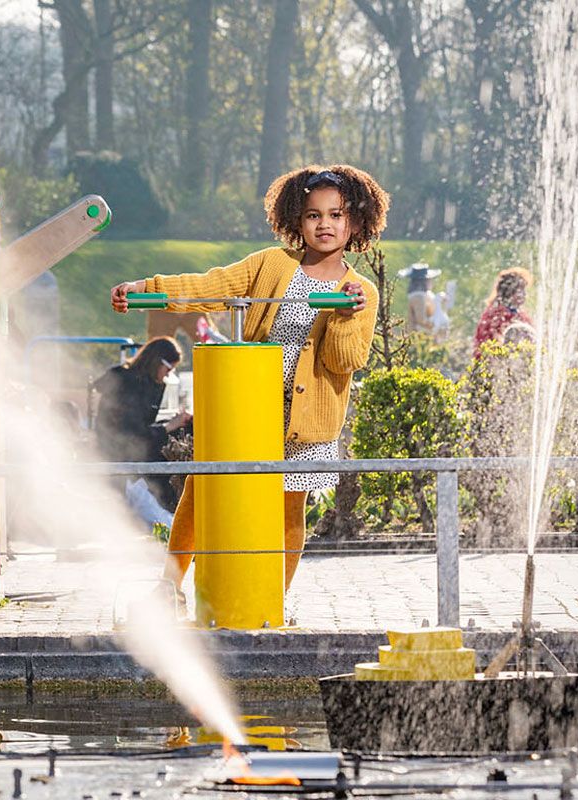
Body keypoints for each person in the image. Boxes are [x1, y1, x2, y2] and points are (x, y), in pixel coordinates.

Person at [109, 164, 386, 593]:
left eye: (337, 214)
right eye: (314, 215)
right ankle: (168, 587)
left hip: (307, 420)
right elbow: (210, 286)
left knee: (290, 508)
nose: (325, 224)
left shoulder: (359, 291)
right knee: (204, 491)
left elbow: (344, 359)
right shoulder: (271, 264)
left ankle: (273, 599)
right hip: (249, 407)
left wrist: (345, 316)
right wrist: (147, 287)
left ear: (356, 220)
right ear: (297, 218)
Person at [91, 337, 189, 521]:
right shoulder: (128, 384)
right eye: (168, 369)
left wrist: (173, 423)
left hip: (130, 451)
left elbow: (142, 427)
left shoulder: (148, 384)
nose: (167, 376)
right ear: (157, 362)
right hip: (119, 456)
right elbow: (133, 433)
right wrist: (169, 426)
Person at [472, 268, 533, 356]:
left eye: (524, 290)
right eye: (521, 290)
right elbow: (485, 347)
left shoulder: (521, 315)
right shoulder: (495, 316)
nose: (524, 294)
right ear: (509, 292)